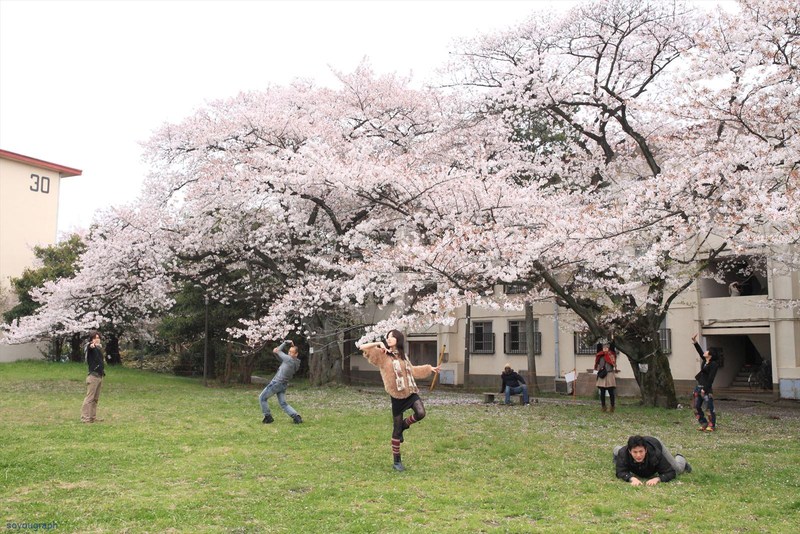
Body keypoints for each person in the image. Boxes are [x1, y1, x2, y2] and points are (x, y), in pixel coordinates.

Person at [358, 329, 440, 472]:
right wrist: (379, 343)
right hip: (396, 396)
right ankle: (397, 461)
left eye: (392, 337)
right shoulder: (382, 355)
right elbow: (362, 347)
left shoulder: (402, 356)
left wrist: (429, 368)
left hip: (410, 392)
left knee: (421, 413)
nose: (389, 339)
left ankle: (404, 425)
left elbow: (413, 370)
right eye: (388, 337)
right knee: (396, 431)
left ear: (399, 339)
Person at [614, 435, 692, 486]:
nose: (638, 455)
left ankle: (680, 457)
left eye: (641, 451)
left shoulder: (655, 454)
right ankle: (615, 449)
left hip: (655, 443)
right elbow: (620, 472)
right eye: (635, 452)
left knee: (677, 469)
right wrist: (631, 478)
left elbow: (670, 472)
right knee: (620, 451)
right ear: (629, 451)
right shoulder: (624, 452)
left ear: (646, 450)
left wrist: (657, 479)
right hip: (624, 451)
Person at [259, 340, 303, 424]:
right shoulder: (296, 363)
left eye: (292, 352)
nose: (289, 353)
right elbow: (276, 353)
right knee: (283, 403)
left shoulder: (289, 359)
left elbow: (277, 350)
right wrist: (276, 352)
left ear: (296, 354)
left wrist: (285, 342)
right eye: (289, 351)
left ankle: (268, 417)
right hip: (283, 385)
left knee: (262, 398)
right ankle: (296, 417)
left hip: (276, 383)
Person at [692, 333, 720, 432]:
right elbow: (700, 352)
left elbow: (711, 378)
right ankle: (703, 423)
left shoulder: (714, 365)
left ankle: (711, 425)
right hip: (698, 387)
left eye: (707, 351)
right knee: (696, 407)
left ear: (710, 354)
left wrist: (705, 389)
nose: (705, 351)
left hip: (706, 388)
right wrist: (695, 342)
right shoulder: (705, 361)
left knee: (709, 407)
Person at [80, 331, 106, 423]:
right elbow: (88, 347)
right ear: (91, 339)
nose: (97, 339)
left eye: (98, 337)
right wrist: (91, 345)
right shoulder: (91, 347)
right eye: (95, 338)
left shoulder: (99, 349)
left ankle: (92, 417)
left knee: (95, 399)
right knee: (89, 398)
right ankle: (85, 418)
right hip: (93, 376)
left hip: (99, 376)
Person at [594, 341, 617, 413]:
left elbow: (613, 346)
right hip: (602, 375)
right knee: (602, 392)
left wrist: (612, 338)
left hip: (609, 374)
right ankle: (603, 406)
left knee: (611, 392)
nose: (605, 348)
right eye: (604, 347)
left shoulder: (611, 354)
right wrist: (599, 339)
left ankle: (612, 406)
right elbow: (598, 347)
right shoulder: (600, 355)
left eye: (607, 347)